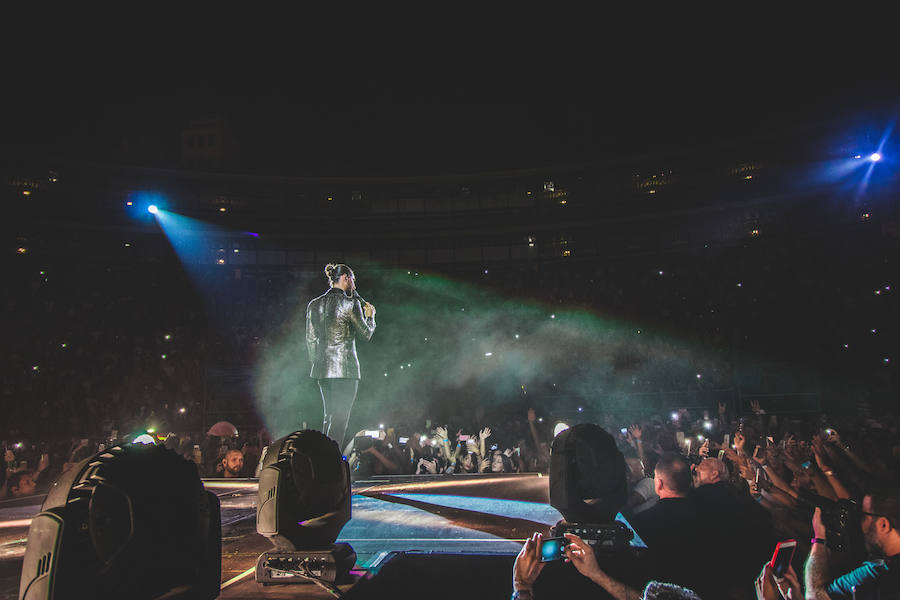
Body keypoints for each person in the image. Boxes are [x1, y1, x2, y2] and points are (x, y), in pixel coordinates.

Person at [306, 263, 376, 449]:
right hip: (345, 371)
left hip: (322, 370)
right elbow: (366, 334)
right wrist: (371, 317)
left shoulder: (314, 304)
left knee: (328, 418)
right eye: (352, 279)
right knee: (340, 420)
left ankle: (321, 457)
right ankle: (329, 463)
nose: (354, 283)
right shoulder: (350, 303)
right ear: (345, 278)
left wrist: (319, 363)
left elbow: (310, 340)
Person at [804, 485, 900, 599]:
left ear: (883, 525)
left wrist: (819, 538)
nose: (861, 525)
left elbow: (815, 595)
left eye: (864, 517)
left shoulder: (879, 571)